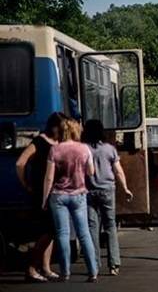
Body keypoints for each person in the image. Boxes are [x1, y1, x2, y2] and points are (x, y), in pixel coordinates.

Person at [42, 118, 98, 282]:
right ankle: (92, 271)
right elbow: (91, 172)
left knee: (62, 234)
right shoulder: (84, 149)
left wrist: (44, 199)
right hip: (79, 194)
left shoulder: (55, 150)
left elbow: (49, 177)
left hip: (58, 195)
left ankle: (65, 272)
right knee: (84, 233)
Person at [15, 112, 66, 282]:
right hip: (41, 191)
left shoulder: (60, 142)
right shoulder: (40, 141)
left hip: (56, 190)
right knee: (47, 230)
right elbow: (20, 162)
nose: (65, 130)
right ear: (54, 127)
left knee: (50, 231)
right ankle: (31, 267)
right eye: (62, 127)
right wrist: (26, 184)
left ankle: (45, 267)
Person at [82, 120, 133, 276]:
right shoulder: (109, 149)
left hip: (89, 191)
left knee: (92, 228)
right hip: (107, 190)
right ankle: (114, 264)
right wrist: (125, 188)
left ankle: (94, 265)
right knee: (110, 226)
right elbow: (118, 171)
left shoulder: (83, 149)